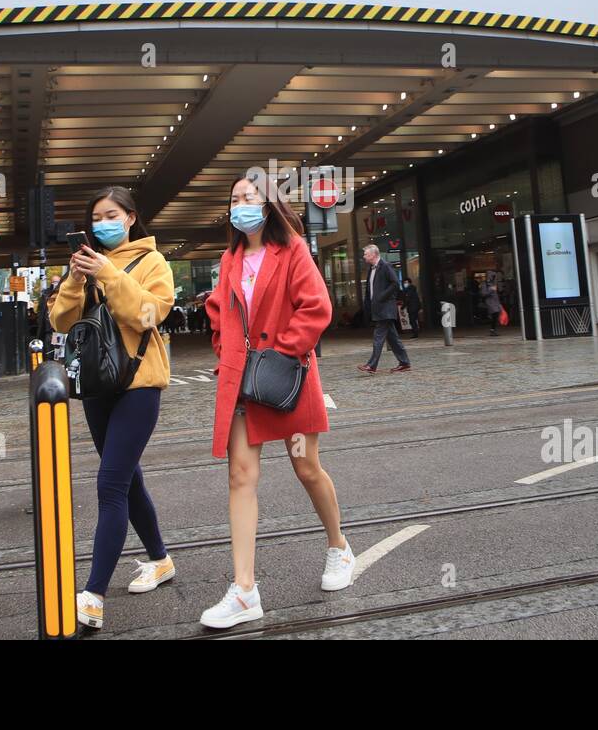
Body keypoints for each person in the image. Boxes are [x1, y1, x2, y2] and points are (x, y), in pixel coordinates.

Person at [201, 170, 351, 629]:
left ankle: (339, 548)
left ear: (268, 205)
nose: (240, 204)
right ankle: (245, 590)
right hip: (242, 383)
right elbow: (218, 311)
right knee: (239, 475)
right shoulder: (229, 259)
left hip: (286, 378)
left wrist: (281, 352)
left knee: (306, 467)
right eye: (235, 198)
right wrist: (224, 350)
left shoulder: (293, 251)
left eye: (249, 196)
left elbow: (316, 307)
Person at [50, 186, 176, 631]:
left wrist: (108, 273)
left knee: (110, 483)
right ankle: (161, 561)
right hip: (97, 384)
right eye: (96, 217)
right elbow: (61, 322)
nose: (103, 222)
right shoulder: (85, 268)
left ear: (129, 218)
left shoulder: (152, 261)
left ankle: (93, 596)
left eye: (111, 215)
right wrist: (77, 279)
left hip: (140, 384)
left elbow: (149, 314)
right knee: (127, 477)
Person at [358, 244, 411, 374]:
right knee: (392, 338)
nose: (364, 256)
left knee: (378, 336)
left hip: (386, 308)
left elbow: (395, 284)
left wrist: (382, 296)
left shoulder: (385, 266)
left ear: (374, 254)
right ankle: (404, 363)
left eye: (366, 254)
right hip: (378, 308)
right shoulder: (371, 268)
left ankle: (371, 365)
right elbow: (370, 289)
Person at [482, 271, 502, 335]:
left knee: (496, 315)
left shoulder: (493, 283)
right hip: (490, 302)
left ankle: (493, 330)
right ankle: (492, 330)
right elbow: (483, 293)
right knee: (495, 314)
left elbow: (495, 294)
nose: (493, 278)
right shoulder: (485, 284)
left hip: (495, 302)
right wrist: (491, 289)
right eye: (493, 276)